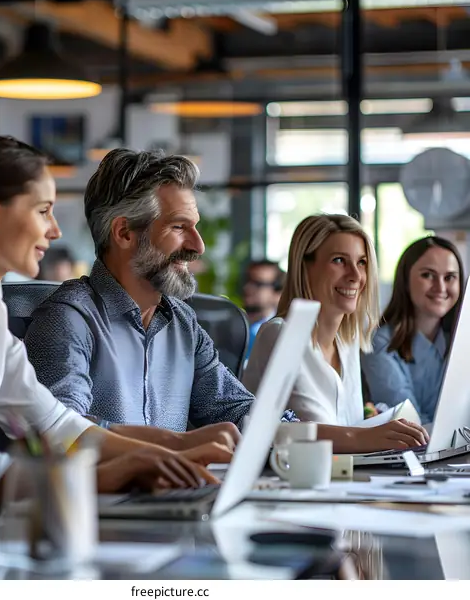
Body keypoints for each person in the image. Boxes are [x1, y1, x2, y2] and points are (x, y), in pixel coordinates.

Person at [0, 136, 228, 535]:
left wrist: (172, 449)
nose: (55, 231)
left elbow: (56, 425)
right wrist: (112, 474)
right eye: (43, 211)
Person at [25, 150, 427, 454]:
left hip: (177, 514)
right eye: (180, 228)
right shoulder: (68, 319)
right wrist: (179, 443)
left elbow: (248, 415)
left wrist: (361, 438)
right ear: (125, 233)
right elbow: (61, 433)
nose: (197, 246)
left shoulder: (182, 323)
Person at [243, 213, 429, 451]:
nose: (355, 276)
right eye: (339, 260)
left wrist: (374, 426)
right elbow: (265, 430)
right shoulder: (280, 335)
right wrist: (362, 436)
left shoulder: (348, 342)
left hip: (344, 479)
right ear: (305, 267)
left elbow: (344, 429)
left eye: (361, 262)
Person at [361, 236, 464, 424]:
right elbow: (411, 422)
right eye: (427, 275)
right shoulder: (380, 344)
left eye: (449, 277)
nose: (440, 287)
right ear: (405, 280)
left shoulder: (461, 341)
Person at [242, 260, 286, 360]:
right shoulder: (234, 325)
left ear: (278, 294)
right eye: (247, 280)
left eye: (258, 283)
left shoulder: (279, 334)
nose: (247, 287)